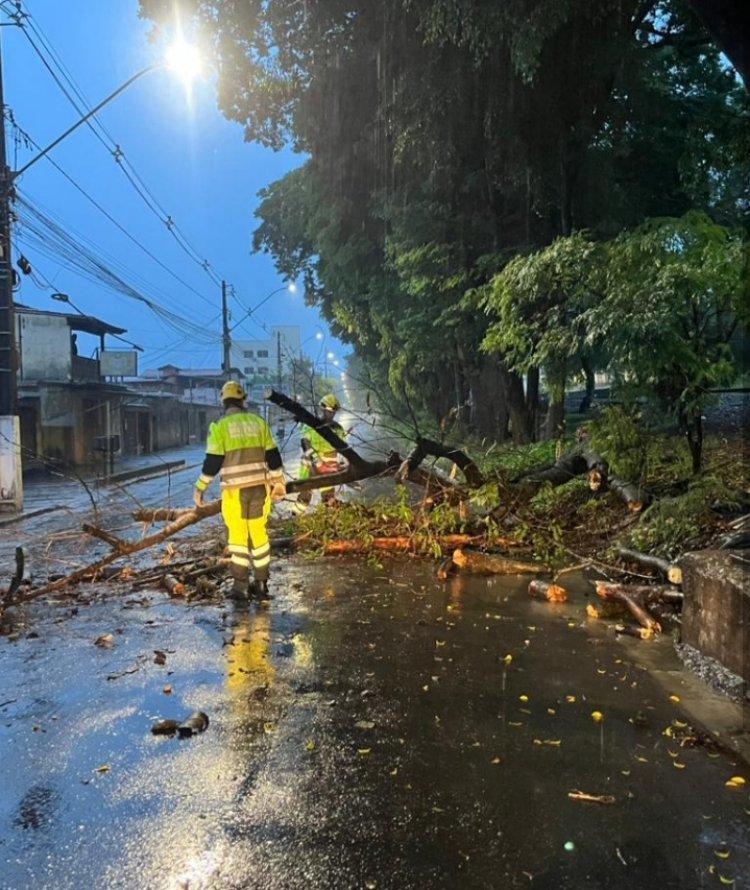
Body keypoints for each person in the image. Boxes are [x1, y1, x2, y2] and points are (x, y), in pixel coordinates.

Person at [193, 381, 286, 601]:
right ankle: (262, 584)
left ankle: (241, 587)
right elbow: (273, 457)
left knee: (238, 538)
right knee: (259, 536)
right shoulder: (258, 423)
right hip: (259, 490)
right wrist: (278, 482)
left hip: (234, 493)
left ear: (224, 402)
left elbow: (213, 462)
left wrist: (200, 488)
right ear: (243, 400)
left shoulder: (220, 427)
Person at [292, 393, 346, 515]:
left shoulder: (338, 429)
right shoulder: (313, 425)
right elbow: (305, 442)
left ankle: (329, 520)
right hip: (310, 467)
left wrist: (342, 464)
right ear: (322, 409)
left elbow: (343, 449)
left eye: (333, 412)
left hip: (329, 468)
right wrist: (317, 460)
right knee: (305, 496)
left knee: (328, 497)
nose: (331, 415)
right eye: (328, 411)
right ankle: (295, 518)